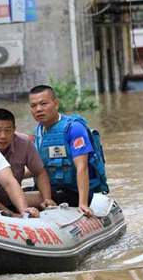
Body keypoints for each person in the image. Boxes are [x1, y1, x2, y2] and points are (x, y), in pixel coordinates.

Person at [29, 84, 107, 217]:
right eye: (33, 106)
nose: (38, 109)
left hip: (75, 192)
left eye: (43, 104)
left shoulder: (74, 128)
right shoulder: (37, 132)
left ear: (56, 104)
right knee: (13, 194)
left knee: (18, 198)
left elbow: (82, 167)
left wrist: (82, 203)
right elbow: (37, 167)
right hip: (49, 191)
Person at [0, 108, 55, 216]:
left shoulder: (24, 143)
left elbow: (40, 172)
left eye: (7, 130)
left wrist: (47, 200)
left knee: (51, 196)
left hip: (15, 195)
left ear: (14, 129)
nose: (3, 136)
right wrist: (14, 214)